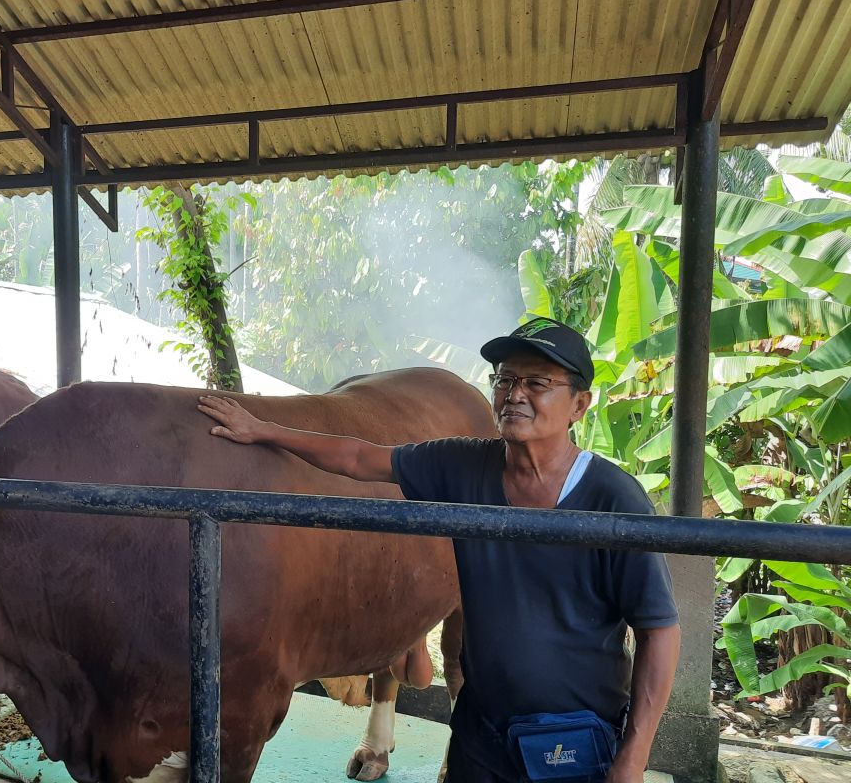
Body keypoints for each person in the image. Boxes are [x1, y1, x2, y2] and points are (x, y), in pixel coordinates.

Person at [198, 317, 681, 783]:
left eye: (537, 382)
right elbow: (358, 457)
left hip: (573, 742)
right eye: (505, 379)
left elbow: (659, 631)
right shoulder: (465, 464)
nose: (514, 394)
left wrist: (633, 760)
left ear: (579, 405)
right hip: (482, 732)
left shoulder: (613, 498)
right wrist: (261, 429)